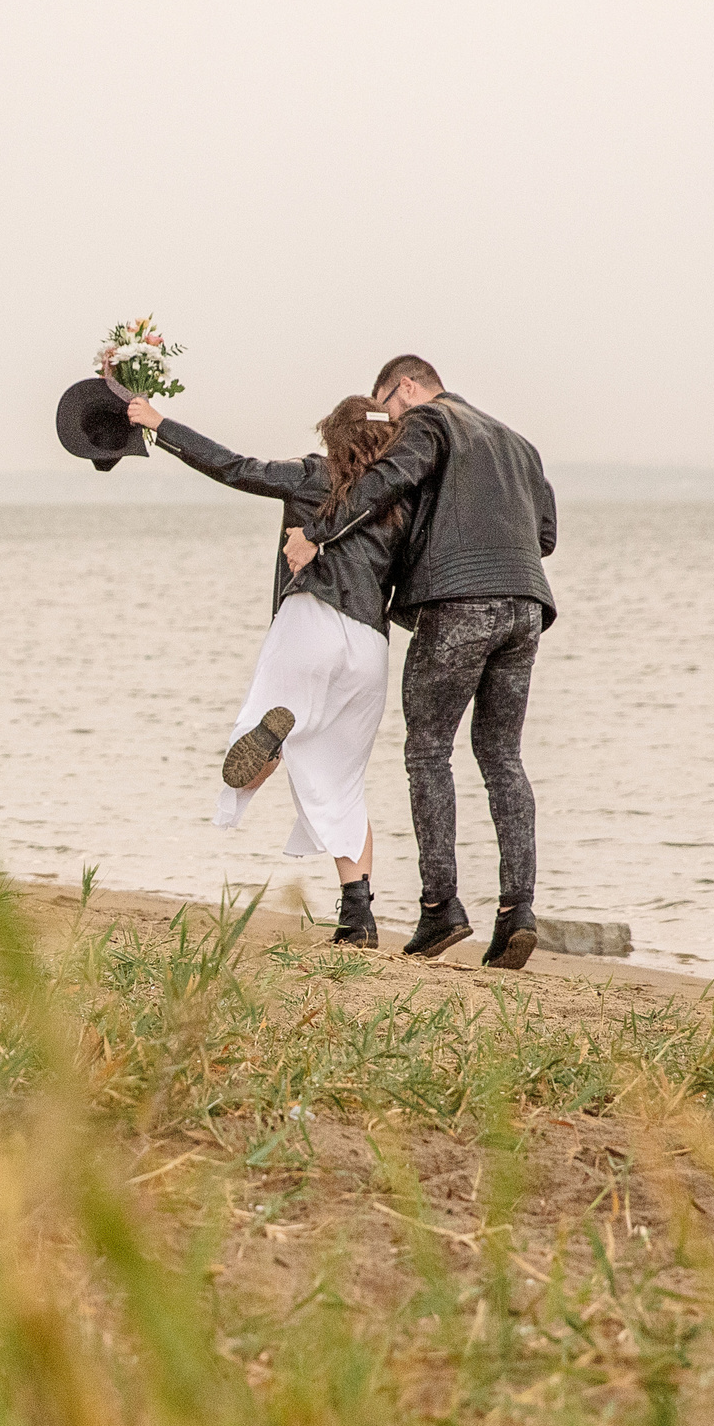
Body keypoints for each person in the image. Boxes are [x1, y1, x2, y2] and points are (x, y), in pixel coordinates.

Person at [282, 355, 556, 970]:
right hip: (528, 606)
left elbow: (381, 484)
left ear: (406, 387)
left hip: (458, 604)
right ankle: (518, 911)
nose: (386, 425)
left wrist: (317, 531)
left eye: (387, 407)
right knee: (503, 757)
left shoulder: (428, 422)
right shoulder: (520, 444)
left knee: (428, 751)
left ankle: (441, 909)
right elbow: (545, 537)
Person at [126, 391, 408, 946]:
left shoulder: (312, 475)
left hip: (311, 621)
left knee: (263, 720)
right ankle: (359, 916)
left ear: (333, 435)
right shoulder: (403, 500)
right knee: (343, 780)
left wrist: (161, 424)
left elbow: (233, 467)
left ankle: (267, 749)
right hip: (370, 645)